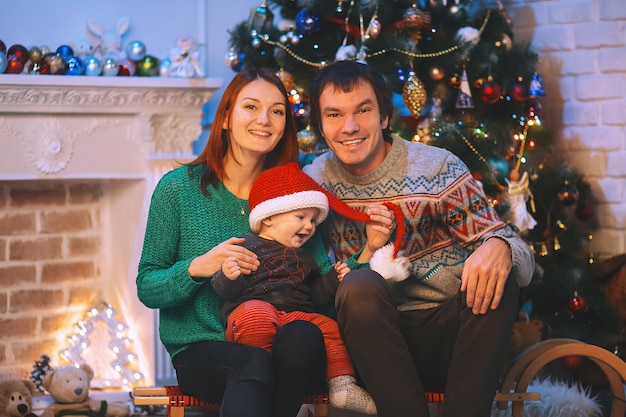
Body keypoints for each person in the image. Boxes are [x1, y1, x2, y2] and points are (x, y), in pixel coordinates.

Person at [303, 60, 536, 417]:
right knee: (359, 285)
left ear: (383, 117)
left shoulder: (435, 167)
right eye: (334, 115)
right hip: (371, 343)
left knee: (498, 277)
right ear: (320, 124)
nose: (349, 127)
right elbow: (302, 276)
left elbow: (521, 255)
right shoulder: (313, 183)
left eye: (363, 110)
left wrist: (501, 246)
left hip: (451, 337)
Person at [136, 67, 328, 417]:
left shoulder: (294, 194)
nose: (265, 120)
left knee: (305, 335)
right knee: (253, 362)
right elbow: (147, 286)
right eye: (251, 107)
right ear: (225, 117)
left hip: (282, 345)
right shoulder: (178, 189)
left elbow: (324, 279)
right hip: (204, 350)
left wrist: (371, 253)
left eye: (277, 111)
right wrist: (197, 268)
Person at [211, 162, 403, 415]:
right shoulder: (246, 245)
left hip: (294, 315)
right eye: (300, 217)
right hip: (253, 311)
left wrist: (333, 280)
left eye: (313, 220)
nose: (309, 226)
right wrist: (228, 274)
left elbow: (313, 295)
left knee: (328, 327)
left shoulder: (304, 256)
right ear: (267, 217)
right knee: (256, 314)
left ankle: (342, 384)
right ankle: (260, 372)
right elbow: (222, 288)